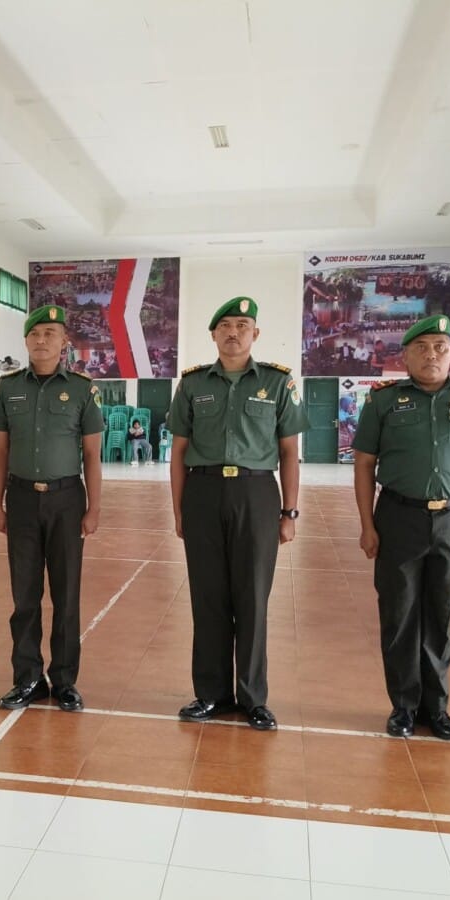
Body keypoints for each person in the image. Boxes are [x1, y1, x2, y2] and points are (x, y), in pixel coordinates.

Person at [352, 315, 450, 740]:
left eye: (440, 347)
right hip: (398, 517)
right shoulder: (383, 402)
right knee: (399, 614)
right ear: (405, 356)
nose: (431, 354)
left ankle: (436, 709)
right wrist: (367, 525)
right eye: (421, 347)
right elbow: (364, 465)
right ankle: (403, 706)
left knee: (441, 615)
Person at [169, 296, 308, 731]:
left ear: (255, 333)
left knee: (252, 598)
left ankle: (252, 698)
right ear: (213, 334)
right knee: (208, 598)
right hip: (204, 492)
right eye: (225, 326)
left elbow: (289, 452)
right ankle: (211, 694)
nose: (233, 332)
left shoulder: (278, 383)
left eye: (242, 325)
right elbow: (179, 453)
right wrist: (179, 510)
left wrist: (289, 512)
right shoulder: (192, 384)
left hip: (256, 493)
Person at [0, 304, 104, 712]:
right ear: (26, 340)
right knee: (25, 595)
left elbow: (91, 454)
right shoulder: (7, 389)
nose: (42, 340)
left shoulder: (82, 389)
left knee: (66, 594)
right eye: (35, 334)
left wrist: (93, 507)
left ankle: (65, 680)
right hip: (22, 498)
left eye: (50, 334)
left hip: (66, 500)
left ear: (64, 342)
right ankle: (27, 678)